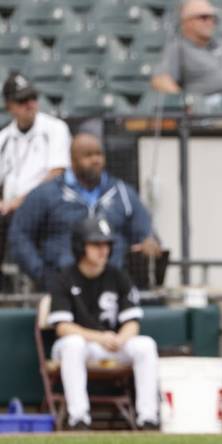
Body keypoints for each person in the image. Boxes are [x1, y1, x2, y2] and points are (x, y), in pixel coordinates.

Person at [9, 130, 160, 291]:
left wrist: (149, 241)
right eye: (88, 155)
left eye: (99, 154)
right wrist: (42, 274)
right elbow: (19, 235)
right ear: (72, 161)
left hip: (113, 285)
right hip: (63, 285)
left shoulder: (122, 192)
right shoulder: (47, 193)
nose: (96, 160)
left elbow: (146, 231)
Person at [47, 216, 159, 429]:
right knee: (73, 344)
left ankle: (148, 418)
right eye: (96, 244)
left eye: (106, 244)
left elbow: (132, 322)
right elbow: (62, 327)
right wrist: (100, 337)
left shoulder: (118, 276)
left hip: (111, 345)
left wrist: (120, 339)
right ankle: (78, 418)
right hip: (82, 345)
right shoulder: (65, 278)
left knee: (145, 345)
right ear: (81, 246)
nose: (103, 250)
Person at [0, 73, 70, 279]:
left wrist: (17, 202)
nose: (30, 104)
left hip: (47, 207)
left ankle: (44, 282)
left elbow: (57, 173)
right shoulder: (3, 138)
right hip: (9, 211)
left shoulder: (55, 128)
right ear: (10, 106)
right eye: (22, 100)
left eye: (33, 98)